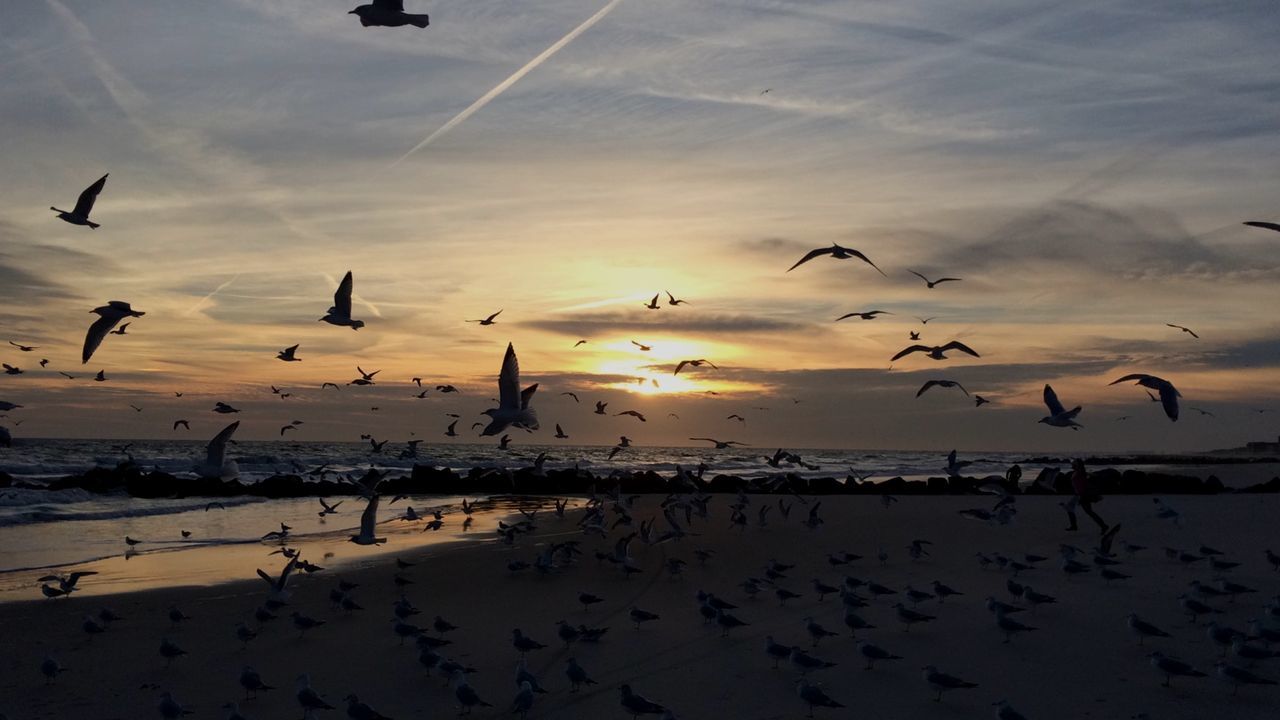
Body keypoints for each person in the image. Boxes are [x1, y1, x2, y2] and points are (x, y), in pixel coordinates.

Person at [1063, 458, 1108, 533]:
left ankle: (1103, 526)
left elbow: (1085, 477)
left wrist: (1091, 475)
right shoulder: (1077, 472)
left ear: (1077, 465)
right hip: (1078, 495)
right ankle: (1074, 526)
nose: (1072, 464)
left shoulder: (1080, 472)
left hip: (1082, 495)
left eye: (1074, 463)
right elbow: (1085, 475)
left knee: (1089, 512)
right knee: (1069, 508)